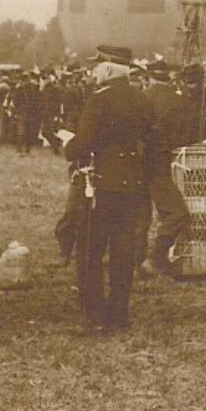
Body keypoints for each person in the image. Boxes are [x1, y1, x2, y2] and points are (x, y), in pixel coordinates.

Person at [69, 46, 158, 330]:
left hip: (102, 181)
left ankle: (94, 314)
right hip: (131, 182)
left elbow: (82, 144)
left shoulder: (98, 100)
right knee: (123, 250)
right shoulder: (142, 99)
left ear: (108, 69)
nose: (93, 71)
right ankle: (118, 315)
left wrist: (67, 146)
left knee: (91, 249)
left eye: (98, 66)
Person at [136, 59, 192, 278]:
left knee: (140, 217)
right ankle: (156, 258)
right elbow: (185, 135)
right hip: (161, 163)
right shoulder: (180, 101)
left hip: (138, 162)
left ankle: (137, 262)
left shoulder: (140, 98)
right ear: (168, 77)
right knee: (176, 213)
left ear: (148, 77)